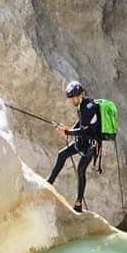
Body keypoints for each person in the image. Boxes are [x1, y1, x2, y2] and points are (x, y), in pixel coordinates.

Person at [46, 80, 100, 212]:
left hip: (91, 145)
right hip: (83, 141)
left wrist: (67, 131)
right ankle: (49, 183)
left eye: (74, 97)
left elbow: (83, 130)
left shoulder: (87, 108)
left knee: (81, 170)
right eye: (71, 98)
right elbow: (81, 123)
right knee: (62, 154)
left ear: (81, 94)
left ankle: (78, 203)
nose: (72, 100)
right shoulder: (83, 104)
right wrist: (68, 129)